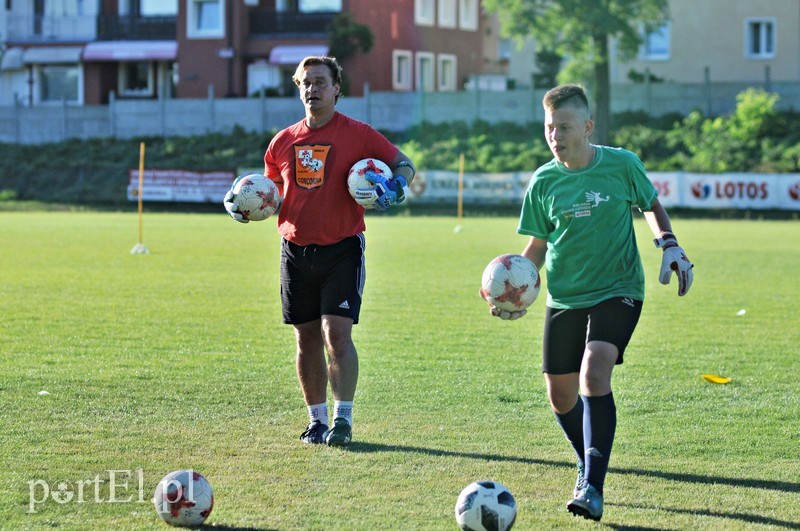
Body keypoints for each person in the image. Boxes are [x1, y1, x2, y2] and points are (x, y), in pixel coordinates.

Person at [484, 84, 693, 521]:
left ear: (587, 127)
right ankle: (589, 462)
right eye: (548, 128)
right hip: (565, 295)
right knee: (560, 395)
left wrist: (669, 244)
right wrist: (515, 286)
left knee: (593, 372)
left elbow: (651, 204)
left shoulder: (621, 164)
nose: (555, 135)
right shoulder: (543, 181)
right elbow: (538, 245)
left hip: (619, 289)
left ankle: (592, 488)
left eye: (563, 126)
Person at [224, 56, 416, 447]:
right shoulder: (282, 142)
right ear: (299, 89)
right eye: (305, 83)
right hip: (295, 250)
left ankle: (343, 419)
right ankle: (316, 421)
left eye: (320, 82)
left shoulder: (359, 134)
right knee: (305, 339)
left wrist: (396, 186)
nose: (312, 89)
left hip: (342, 248)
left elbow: (404, 163)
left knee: (337, 335)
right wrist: (245, 207)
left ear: (337, 89)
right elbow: (270, 195)